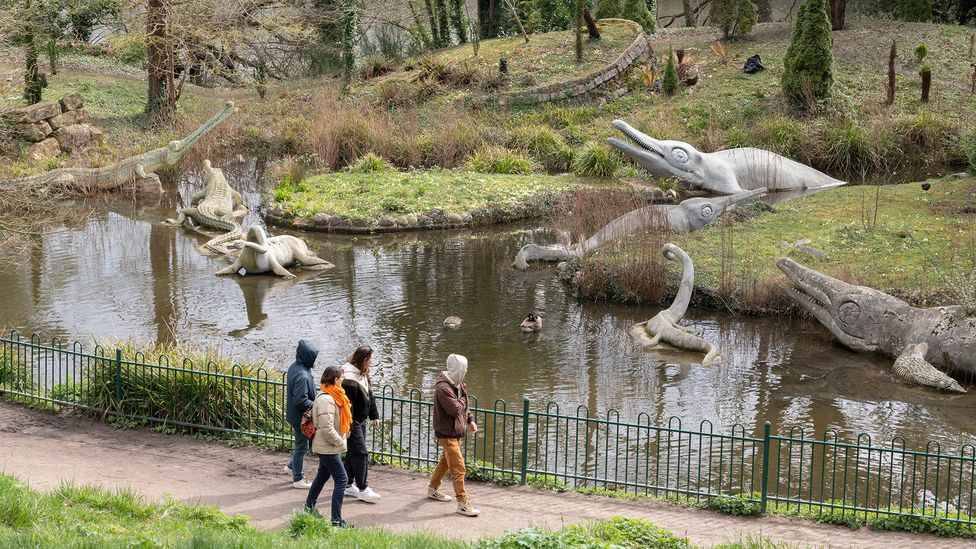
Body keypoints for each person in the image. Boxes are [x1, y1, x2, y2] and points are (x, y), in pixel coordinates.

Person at [428, 353, 481, 517]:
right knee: (458, 468)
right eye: (464, 369)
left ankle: (433, 488)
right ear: (458, 369)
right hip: (446, 433)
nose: (465, 372)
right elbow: (456, 409)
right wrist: (464, 400)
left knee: (445, 462)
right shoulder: (443, 388)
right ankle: (462, 504)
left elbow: (464, 407)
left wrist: (470, 420)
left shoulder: (458, 384)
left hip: (455, 432)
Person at [305, 365, 352, 527]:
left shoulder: (333, 396)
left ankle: (308, 508)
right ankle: (336, 521)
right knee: (342, 479)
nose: (343, 381)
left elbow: (332, 424)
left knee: (323, 476)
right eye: (342, 378)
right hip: (327, 446)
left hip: (326, 445)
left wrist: (344, 433)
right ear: (336, 380)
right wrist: (340, 441)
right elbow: (326, 429)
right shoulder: (327, 399)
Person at [341, 345, 381, 503]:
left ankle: (347, 484)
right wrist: (348, 427)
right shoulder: (349, 379)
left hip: (361, 420)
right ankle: (363, 488)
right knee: (361, 453)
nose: (373, 361)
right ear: (364, 360)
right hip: (352, 422)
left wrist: (374, 415)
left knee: (352, 454)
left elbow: (369, 395)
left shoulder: (363, 374)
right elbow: (346, 406)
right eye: (371, 358)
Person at [284, 339, 317, 489]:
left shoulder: (295, 367)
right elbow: (300, 400)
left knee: (300, 445)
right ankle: (298, 479)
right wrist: (317, 405)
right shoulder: (303, 375)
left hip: (294, 415)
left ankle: (291, 466)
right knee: (301, 447)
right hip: (301, 418)